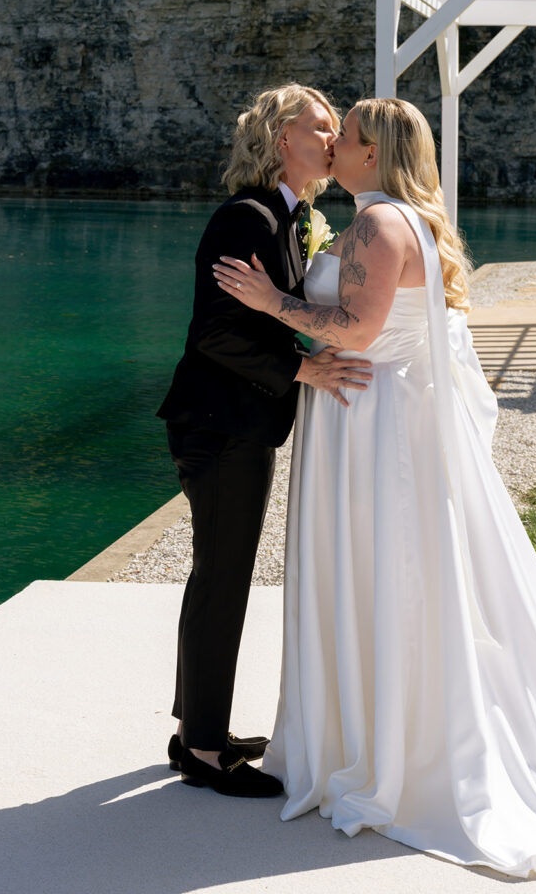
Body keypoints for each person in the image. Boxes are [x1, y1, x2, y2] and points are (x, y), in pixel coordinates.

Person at [213, 98, 536, 874]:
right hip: (364, 410)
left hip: (373, 420)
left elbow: (357, 331)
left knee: (382, 566)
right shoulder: (385, 219)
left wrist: (271, 302)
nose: (333, 147)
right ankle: (373, 722)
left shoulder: (378, 224)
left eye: (345, 137)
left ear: (373, 154)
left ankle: (390, 739)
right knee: (386, 568)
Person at [156, 83, 372, 799]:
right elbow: (214, 333)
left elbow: (267, 318)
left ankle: (197, 730)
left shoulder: (288, 217)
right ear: (283, 140)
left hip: (235, 423)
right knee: (222, 578)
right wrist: (304, 369)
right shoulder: (245, 218)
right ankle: (204, 751)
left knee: (218, 575)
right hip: (218, 425)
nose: (333, 138)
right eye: (321, 127)